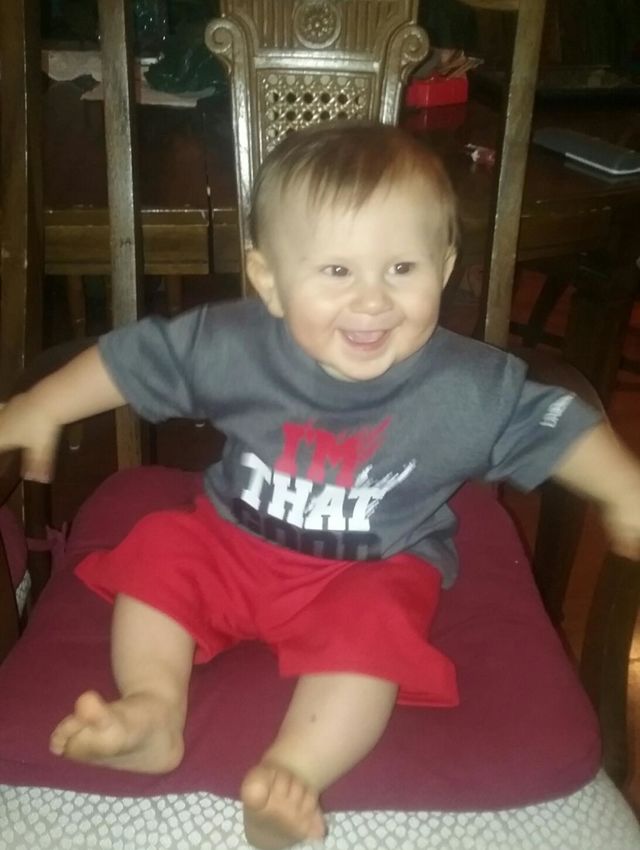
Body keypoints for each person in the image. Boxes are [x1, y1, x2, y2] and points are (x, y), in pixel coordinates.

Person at [1, 122, 639, 850]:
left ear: (445, 266)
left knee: (379, 628)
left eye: (402, 268)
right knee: (161, 549)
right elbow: (133, 361)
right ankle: (152, 709)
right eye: (337, 271)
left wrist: (623, 488)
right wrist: (42, 406)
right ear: (269, 281)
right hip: (232, 544)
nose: (372, 301)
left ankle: (294, 770)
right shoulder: (235, 346)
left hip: (369, 568)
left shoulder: (466, 387)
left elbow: (557, 423)